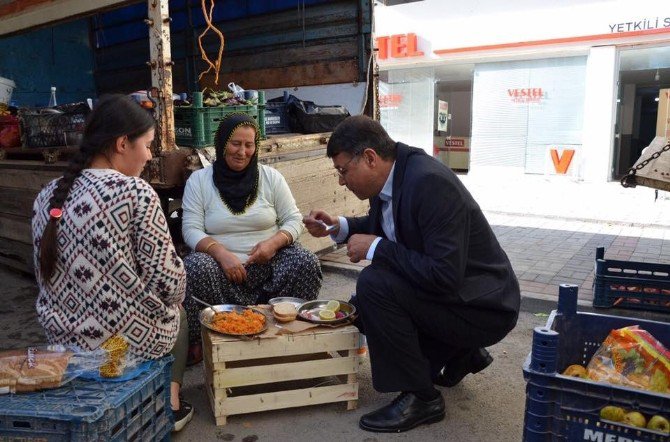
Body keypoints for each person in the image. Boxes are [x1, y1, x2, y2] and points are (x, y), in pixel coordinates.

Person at [304, 115, 520, 433]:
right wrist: (340, 227)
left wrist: (376, 247)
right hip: (458, 294)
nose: (341, 181)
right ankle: (459, 351)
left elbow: (444, 275)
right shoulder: (395, 175)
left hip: (483, 306)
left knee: (374, 286)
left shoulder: (429, 183)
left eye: (342, 171)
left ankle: (422, 397)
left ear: (369, 158)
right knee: (364, 307)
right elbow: (391, 223)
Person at [31, 95, 194, 432]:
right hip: (123, 343)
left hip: (62, 339)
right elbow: (168, 282)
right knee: (178, 311)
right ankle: (171, 404)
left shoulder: (47, 194)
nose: (149, 156)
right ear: (122, 143)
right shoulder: (135, 192)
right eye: (147, 146)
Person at [181, 113, 322, 357]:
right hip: (222, 273)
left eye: (249, 145)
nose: (242, 152)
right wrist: (221, 253)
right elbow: (190, 229)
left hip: (269, 267)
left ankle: (289, 328)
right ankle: (202, 339)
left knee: (305, 262)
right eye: (235, 143)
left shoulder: (271, 177)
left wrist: (273, 244)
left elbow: (293, 220)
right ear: (222, 143)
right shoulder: (199, 181)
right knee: (194, 266)